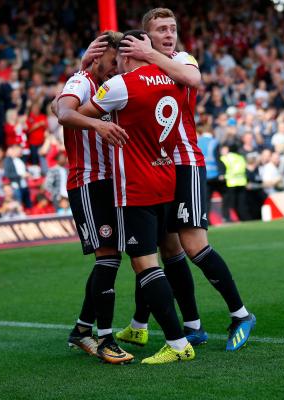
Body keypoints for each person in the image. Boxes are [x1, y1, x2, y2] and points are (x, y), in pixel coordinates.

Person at [109, 9, 255, 351]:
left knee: (193, 245)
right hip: (159, 168)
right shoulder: (143, 70)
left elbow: (193, 80)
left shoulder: (181, 59)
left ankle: (240, 313)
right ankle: (192, 326)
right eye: (161, 29)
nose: (169, 33)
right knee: (168, 248)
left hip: (185, 161)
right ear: (146, 35)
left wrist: (151, 55)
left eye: (172, 28)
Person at [77, 29, 196, 364]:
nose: (115, 66)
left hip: (135, 187)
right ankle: (151, 327)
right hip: (166, 179)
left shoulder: (120, 86)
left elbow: (77, 114)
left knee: (145, 265)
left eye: (118, 59)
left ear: (128, 54)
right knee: (163, 256)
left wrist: (87, 76)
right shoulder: (172, 79)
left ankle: (176, 343)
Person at [55, 31, 133, 364]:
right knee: (108, 258)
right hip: (88, 181)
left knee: (110, 258)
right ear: (98, 55)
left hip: (112, 182)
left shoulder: (114, 86)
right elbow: (63, 113)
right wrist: (97, 125)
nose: (117, 69)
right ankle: (104, 339)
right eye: (113, 62)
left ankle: (82, 330)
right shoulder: (81, 81)